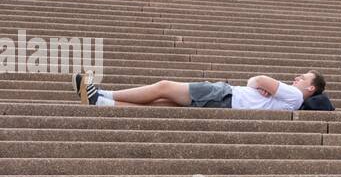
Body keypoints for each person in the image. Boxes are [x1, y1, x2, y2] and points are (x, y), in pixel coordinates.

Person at [74, 70, 324, 111]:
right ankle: (100, 103)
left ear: (310, 88)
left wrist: (257, 84)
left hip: (225, 95)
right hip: (227, 104)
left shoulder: (294, 95)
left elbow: (256, 78)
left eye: (302, 78)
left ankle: (103, 94)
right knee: (161, 104)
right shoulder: (291, 102)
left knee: (164, 87)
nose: (296, 78)